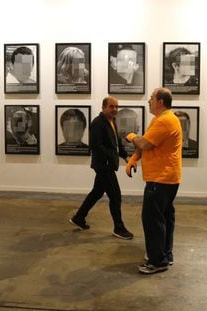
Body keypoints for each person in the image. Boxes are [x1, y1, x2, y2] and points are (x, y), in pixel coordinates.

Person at [125, 87, 182, 274]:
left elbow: (143, 143)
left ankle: (157, 261)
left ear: (160, 102)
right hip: (166, 178)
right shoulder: (160, 120)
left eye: (151, 98)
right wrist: (133, 159)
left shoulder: (165, 121)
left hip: (161, 179)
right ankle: (165, 254)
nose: (148, 101)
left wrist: (131, 136)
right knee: (164, 217)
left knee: (152, 220)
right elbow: (147, 145)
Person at [69, 96, 134, 240]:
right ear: (104, 107)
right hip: (103, 166)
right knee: (115, 196)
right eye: (111, 107)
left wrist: (125, 156)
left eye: (116, 107)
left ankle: (79, 217)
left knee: (97, 192)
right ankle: (119, 227)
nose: (115, 109)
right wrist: (111, 157)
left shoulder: (112, 122)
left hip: (108, 164)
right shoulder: (98, 123)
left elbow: (117, 143)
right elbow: (96, 145)